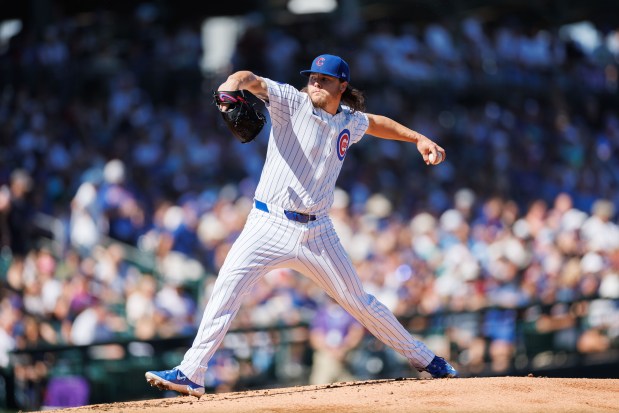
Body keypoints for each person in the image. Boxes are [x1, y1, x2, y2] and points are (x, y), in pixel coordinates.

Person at [145, 54, 457, 397]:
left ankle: (427, 360)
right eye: (312, 77)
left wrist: (417, 139)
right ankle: (191, 372)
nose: (315, 83)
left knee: (359, 301)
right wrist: (231, 84)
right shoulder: (290, 101)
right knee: (225, 290)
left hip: (317, 232)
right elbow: (251, 78)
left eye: (323, 79)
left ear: (342, 86)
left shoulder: (348, 121)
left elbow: (376, 122)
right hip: (267, 223)